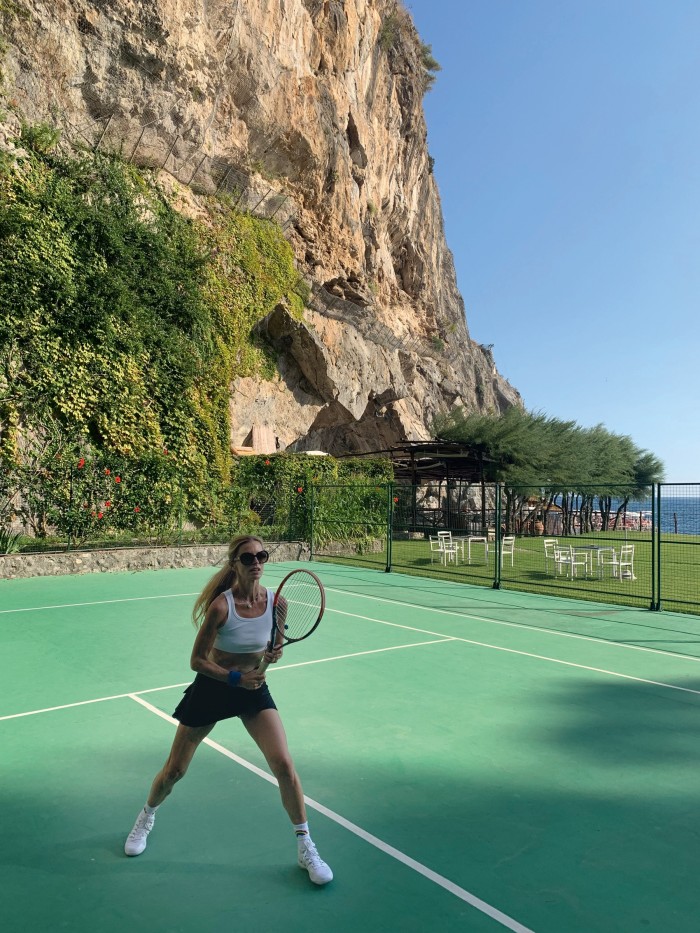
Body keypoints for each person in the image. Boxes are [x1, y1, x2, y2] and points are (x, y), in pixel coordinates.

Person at [124, 534, 333, 885]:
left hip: (253, 691)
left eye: (261, 556)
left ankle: (305, 846)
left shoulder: (278, 604)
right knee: (175, 771)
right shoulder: (221, 607)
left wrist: (274, 653)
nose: (256, 563)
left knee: (283, 764)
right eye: (247, 558)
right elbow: (196, 661)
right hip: (214, 689)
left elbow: (276, 642)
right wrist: (235, 678)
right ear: (234, 564)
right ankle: (146, 817)